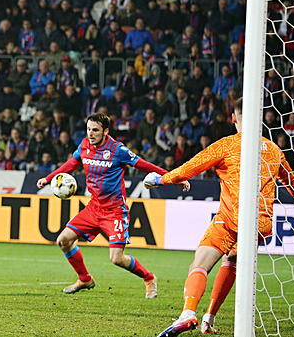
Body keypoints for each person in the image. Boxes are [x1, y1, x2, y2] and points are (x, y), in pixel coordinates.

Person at [144, 98, 294, 337]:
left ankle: (188, 313)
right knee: (231, 260)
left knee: (199, 263)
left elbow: (191, 167)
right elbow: (291, 180)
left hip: (232, 217)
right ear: (260, 119)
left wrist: (161, 180)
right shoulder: (273, 149)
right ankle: (208, 319)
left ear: (233, 118)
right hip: (262, 223)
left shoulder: (228, 145)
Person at [37, 113, 190, 296]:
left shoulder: (118, 150)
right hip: (93, 208)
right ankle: (85, 278)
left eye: (95, 130)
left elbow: (145, 165)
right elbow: (72, 163)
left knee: (116, 259)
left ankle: (149, 278)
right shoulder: (85, 145)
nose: (90, 134)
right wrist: (48, 179)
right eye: (88, 129)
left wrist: (173, 178)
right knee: (63, 240)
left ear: (105, 131)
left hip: (115, 212)